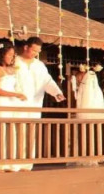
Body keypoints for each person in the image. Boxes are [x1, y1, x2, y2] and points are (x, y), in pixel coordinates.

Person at [12, 37, 65, 171]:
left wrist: (56, 92)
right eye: (34, 50)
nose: (36, 54)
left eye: (38, 51)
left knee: (30, 132)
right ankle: (13, 162)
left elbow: (47, 81)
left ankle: (26, 163)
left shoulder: (39, 65)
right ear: (26, 47)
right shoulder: (15, 61)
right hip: (16, 102)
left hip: (34, 103)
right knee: (15, 131)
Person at [0, 44, 28, 172]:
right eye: (9, 54)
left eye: (13, 55)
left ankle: (8, 162)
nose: (11, 57)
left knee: (9, 132)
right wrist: (15, 94)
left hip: (10, 103)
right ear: (1, 55)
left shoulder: (11, 70)